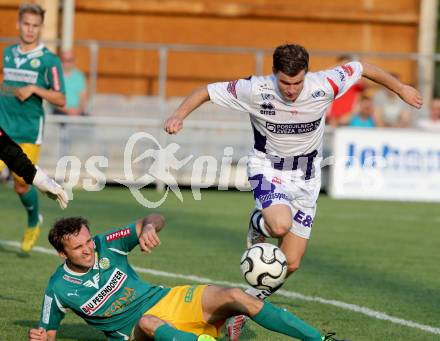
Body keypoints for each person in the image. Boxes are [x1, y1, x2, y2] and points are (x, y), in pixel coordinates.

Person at [164, 44, 422, 339]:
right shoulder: (255, 89)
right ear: (274, 74)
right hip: (267, 170)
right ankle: (258, 222)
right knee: (279, 225)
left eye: (297, 82)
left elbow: (362, 67)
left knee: (291, 262)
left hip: (307, 180)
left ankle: (243, 307)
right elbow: (206, 91)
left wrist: (401, 88)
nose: (291, 89)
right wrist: (179, 115)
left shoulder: (324, 84)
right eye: (285, 82)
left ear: (306, 74)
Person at [28, 215, 346, 341]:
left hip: (169, 300)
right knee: (150, 322)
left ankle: (321, 340)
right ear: (62, 254)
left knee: (236, 295)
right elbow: (48, 335)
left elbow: (154, 218)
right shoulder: (58, 289)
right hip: (137, 332)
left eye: (87, 241)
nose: (88, 250)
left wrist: (150, 228)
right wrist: (41, 337)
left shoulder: (106, 243)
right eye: (78, 247)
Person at [0, 3, 66, 252]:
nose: (30, 30)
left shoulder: (49, 60)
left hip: (28, 131)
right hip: (3, 126)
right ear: (18, 24)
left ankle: (33, 220)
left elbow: (61, 98)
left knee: (21, 182)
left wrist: (36, 89)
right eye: (26, 24)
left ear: (40, 28)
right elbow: (5, 84)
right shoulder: (7, 53)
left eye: (35, 26)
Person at [0, 127, 68, 209]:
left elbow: (5, 147)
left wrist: (37, 177)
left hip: (28, 126)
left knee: (21, 185)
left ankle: (34, 220)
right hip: (5, 121)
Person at [326, 54, 365, 127]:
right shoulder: (331, 82)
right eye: (340, 66)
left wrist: (356, 64)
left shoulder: (354, 83)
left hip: (348, 120)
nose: (343, 70)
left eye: (345, 66)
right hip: (331, 120)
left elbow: (363, 78)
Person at [52, 50, 88, 116]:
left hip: (78, 112)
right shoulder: (55, 76)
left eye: (70, 60)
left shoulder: (79, 76)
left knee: (89, 123)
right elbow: (53, 99)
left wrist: (79, 110)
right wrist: (68, 111)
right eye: (64, 59)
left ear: (74, 61)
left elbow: (83, 97)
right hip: (60, 111)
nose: (67, 62)